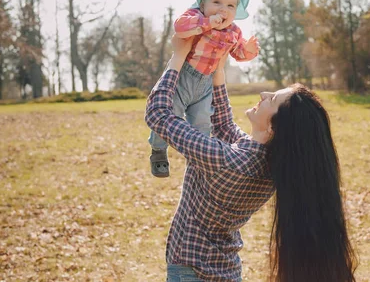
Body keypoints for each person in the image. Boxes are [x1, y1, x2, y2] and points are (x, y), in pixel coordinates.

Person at [145, 36, 357, 282]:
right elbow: (223, 125)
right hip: (225, 271)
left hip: (191, 272)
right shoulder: (269, 164)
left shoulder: (225, 160)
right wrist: (218, 70)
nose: (264, 93)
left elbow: (158, 115)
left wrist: (177, 58)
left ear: (275, 128)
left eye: (273, 99)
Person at [148, 0, 259, 178]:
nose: (223, 9)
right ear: (202, 4)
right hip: (183, 77)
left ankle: (199, 163)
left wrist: (249, 51)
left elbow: (239, 53)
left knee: (202, 123)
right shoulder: (195, 16)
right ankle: (158, 150)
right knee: (168, 113)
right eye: (216, 2)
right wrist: (207, 23)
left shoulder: (233, 32)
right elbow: (180, 27)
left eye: (230, 5)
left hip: (206, 83)